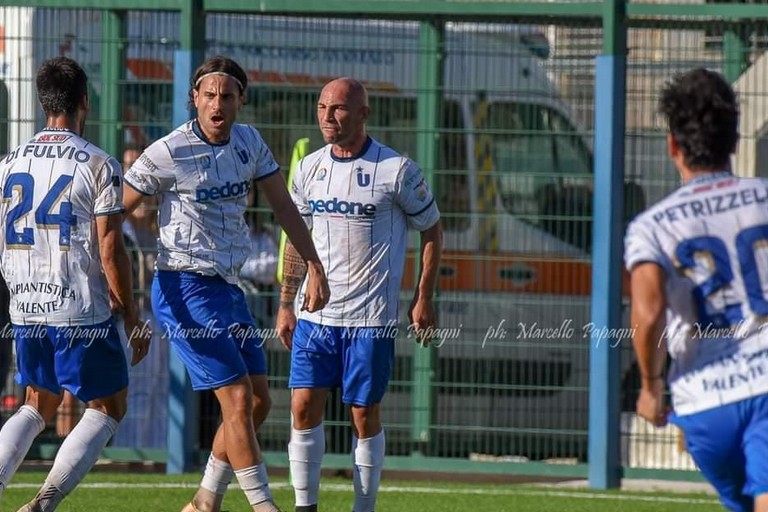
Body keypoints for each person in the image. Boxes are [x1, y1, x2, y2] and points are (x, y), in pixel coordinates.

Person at [122, 55, 329, 512]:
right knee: (235, 399)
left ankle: (204, 499)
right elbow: (114, 208)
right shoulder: (169, 150)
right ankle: (264, 507)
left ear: (241, 101)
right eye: (209, 95)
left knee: (257, 402)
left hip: (228, 288)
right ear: (194, 98)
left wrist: (313, 263)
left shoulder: (250, 143)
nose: (217, 103)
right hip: (183, 286)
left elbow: (284, 208)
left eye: (227, 96)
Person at [276, 77, 443, 512]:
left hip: (371, 319)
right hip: (316, 317)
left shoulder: (397, 170)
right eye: (322, 107)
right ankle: (304, 506)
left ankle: (363, 507)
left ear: (363, 114)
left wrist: (424, 295)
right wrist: (285, 303)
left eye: (339, 109)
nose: (328, 117)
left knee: (363, 415)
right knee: (302, 406)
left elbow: (432, 228)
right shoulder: (308, 168)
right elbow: (297, 237)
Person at [0, 56, 150, 511]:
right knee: (109, 405)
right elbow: (111, 248)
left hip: (25, 304)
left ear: (44, 102)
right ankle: (44, 502)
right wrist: (130, 313)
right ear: (85, 101)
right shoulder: (100, 165)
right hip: (78, 306)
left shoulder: (8, 163)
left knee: (36, 401)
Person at [625, 68, 768, 512]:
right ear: (736, 139)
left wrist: (650, 387)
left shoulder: (651, 226)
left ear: (673, 145)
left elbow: (648, 316)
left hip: (704, 402)